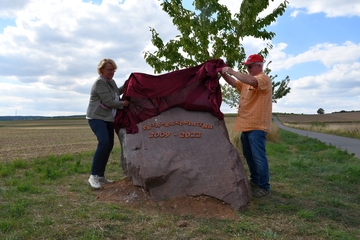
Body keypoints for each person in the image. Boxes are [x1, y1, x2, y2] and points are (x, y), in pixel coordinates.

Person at [221, 54, 272, 197]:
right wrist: (222, 72)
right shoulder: (247, 81)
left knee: (258, 157)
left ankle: (264, 187)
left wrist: (232, 71)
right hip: (246, 125)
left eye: (250, 66)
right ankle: (255, 181)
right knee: (249, 156)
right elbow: (233, 82)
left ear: (259, 66)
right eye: (246, 67)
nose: (248, 69)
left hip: (257, 126)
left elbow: (250, 80)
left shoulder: (263, 79)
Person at [86, 58, 130, 189]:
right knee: (104, 142)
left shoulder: (111, 82)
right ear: (101, 70)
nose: (112, 72)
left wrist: (129, 84)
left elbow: (117, 92)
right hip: (96, 117)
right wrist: (124, 104)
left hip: (108, 118)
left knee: (109, 145)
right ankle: (93, 176)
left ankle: (100, 176)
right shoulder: (100, 83)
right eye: (109, 70)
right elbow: (108, 102)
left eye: (113, 70)